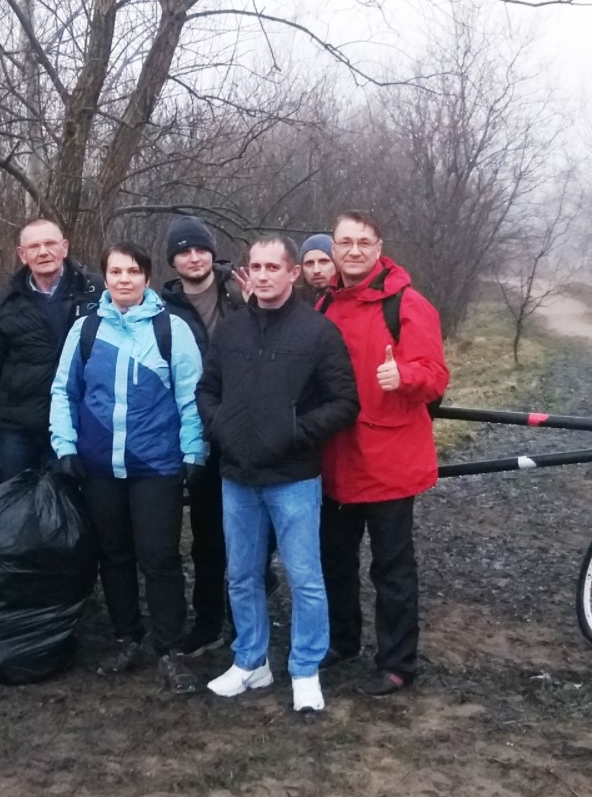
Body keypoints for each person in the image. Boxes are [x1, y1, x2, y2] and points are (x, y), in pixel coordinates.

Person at [197, 236, 359, 712]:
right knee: (242, 575)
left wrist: (294, 431)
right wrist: (221, 426)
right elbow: (207, 389)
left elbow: (344, 402)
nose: (263, 275)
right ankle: (250, 661)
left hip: (293, 476)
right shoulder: (230, 331)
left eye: (274, 267)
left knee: (305, 576)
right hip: (237, 476)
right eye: (256, 266)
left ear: (293, 274)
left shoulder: (317, 333)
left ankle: (305, 669)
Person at [50, 241, 205, 695]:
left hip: (156, 465)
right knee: (113, 556)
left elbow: (191, 396)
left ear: (147, 277)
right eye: (115, 271)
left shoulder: (171, 329)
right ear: (105, 277)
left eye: (133, 271)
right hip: (98, 467)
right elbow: (63, 391)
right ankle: (126, 636)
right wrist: (66, 445)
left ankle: (171, 650)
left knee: (159, 558)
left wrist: (195, 452)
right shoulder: (85, 329)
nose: (123, 279)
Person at [317, 210, 450, 697]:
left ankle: (397, 663)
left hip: (389, 461)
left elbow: (435, 374)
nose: (353, 250)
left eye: (363, 242)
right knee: (335, 559)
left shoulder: (408, 304)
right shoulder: (325, 303)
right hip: (336, 459)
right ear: (333, 247)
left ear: (379, 247)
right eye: (345, 241)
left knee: (392, 568)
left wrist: (405, 377)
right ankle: (341, 641)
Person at [160, 215, 244, 657]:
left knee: (250, 531)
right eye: (184, 250)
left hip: (247, 427)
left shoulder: (240, 290)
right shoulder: (161, 307)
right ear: (172, 260)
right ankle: (208, 620)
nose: (194, 257)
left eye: (200, 248)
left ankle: (245, 617)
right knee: (208, 534)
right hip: (196, 430)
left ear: (212, 252)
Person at [0, 220, 102, 485]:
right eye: (35, 246)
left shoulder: (95, 291)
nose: (43, 252)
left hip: (79, 424)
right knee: (16, 508)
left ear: (64, 248)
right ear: (22, 254)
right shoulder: (7, 302)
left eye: (50, 243)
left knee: (69, 507)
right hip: (19, 429)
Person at [298, 233, 336, 304]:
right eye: (309, 263)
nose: (316, 270)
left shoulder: (349, 299)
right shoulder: (290, 301)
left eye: (323, 261)